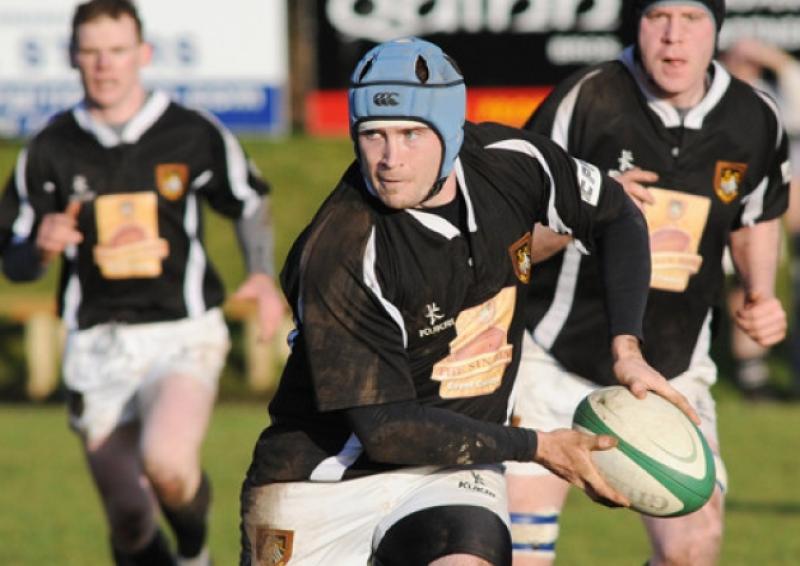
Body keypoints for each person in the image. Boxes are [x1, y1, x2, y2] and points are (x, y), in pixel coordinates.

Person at [238, 36, 698, 566]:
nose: (390, 159)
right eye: (372, 134)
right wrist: (538, 447)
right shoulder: (338, 251)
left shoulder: (511, 162)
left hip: (452, 470)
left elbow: (615, 214)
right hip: (320, 481)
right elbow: (387, 430)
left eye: (411, 133)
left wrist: (627, 349)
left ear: (449, 130)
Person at [0, 1, 285, 565]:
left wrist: (260, 271)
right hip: (96, 342)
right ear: (72, 57)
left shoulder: (190, 131)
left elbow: (248, 199)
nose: (104, 64)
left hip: (182, 332)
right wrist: (40, 248)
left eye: (117, 50)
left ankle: (196, 555)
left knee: (168, 464)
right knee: (130, 521)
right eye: (91, 52)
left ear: (144, 53)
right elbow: (15, 261)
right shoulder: (50, 149)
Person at [507, 1, 789, 565]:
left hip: (671, 371)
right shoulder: (586, 99)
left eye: (692, 18)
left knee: (692, 548)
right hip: (551, 360)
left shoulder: (753, 116)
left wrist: (760, 293)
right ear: (635, 23)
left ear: (717, 27)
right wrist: (588, 207)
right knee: (517, 553)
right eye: (659, 16)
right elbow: (510, 237)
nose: (673, 36)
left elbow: (756, 214)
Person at [721, 38, 800, 399]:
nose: (744, 64)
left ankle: (752, 373)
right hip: (709, 204)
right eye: (737, 58)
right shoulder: (708, 96)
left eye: (752, 60)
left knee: (750, 285)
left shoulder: (768, 98)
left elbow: (794, 83)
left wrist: (774, 59)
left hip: (755, 211)